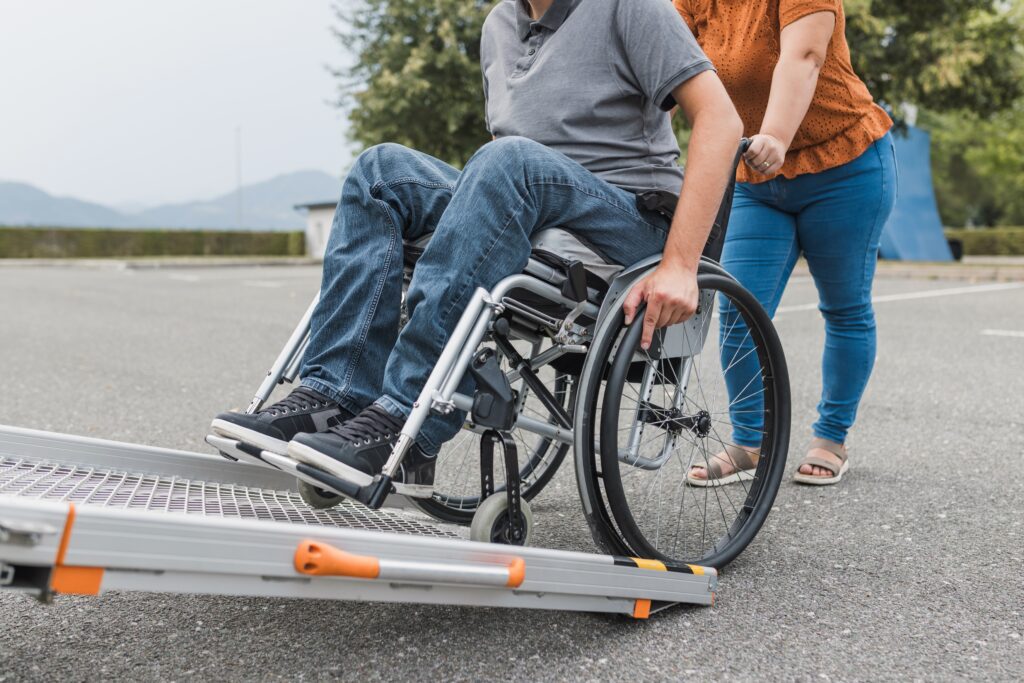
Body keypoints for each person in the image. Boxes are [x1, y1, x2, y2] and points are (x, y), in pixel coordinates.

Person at [211, 0, 743, 489]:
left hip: (627, 225)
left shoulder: (630, 7)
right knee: (381, 172)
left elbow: (722, 120)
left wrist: (680, 265)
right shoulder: (498, 26)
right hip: (531, 203)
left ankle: (406, 413)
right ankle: (335, 395)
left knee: (510, 160)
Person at [677, 0, 897, 486]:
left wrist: (776, 134)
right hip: (758, 174)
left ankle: (831, 437)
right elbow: (666, 61)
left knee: (844, 307)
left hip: (845, 163)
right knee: (739, 308)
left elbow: (804, 57)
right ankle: (749, 443)